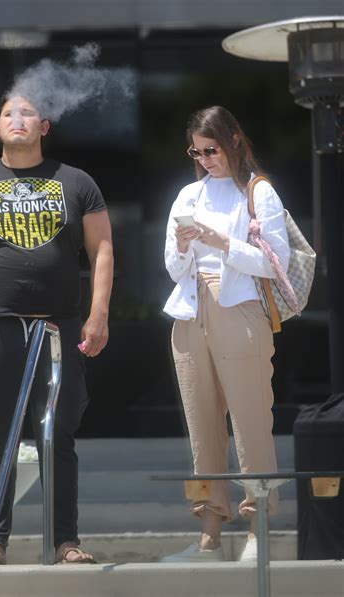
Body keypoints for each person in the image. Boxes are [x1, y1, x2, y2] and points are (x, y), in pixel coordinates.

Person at [0, 91, 114, 565]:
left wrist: (99, 314)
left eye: (28, 112)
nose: (18, 119)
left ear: (44, 127)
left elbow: (101, 251)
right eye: (8, 113)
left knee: (58, 434)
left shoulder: (76, 182)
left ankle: (65, 541)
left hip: (61, 326)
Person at [161, 106, 290, 563]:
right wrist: (181, 246)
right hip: (191, 309)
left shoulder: (258, 193)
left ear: (233, 140)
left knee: (252, 422)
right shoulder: (188, 195)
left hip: (240, 308)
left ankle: (258, 528)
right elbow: (174, 269)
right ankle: (209, 535)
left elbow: (275, 264)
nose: (204, 158)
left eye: (211, 149)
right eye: (196, 151)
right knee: (202, 427)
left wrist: (220, 242)